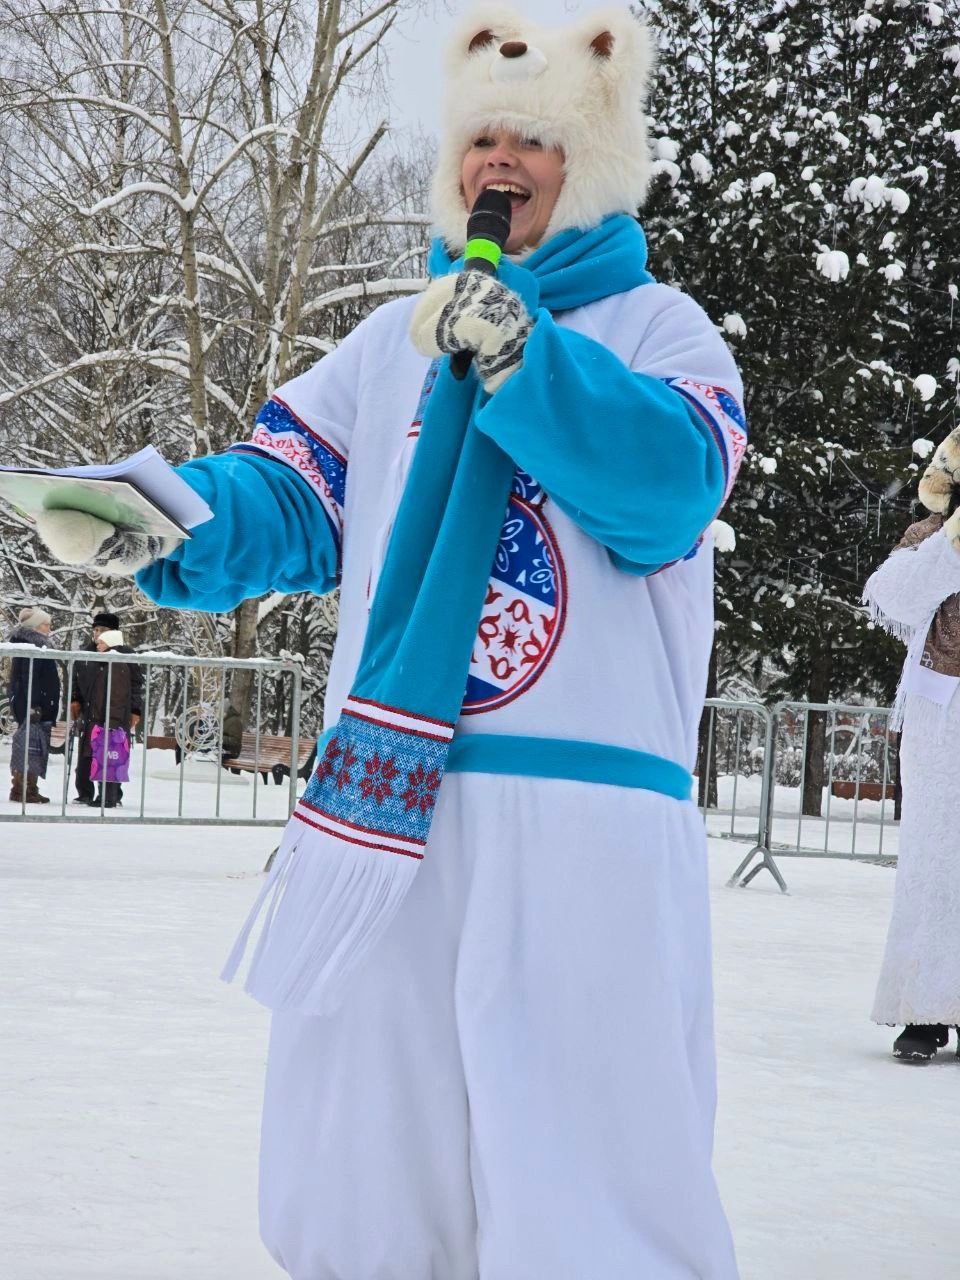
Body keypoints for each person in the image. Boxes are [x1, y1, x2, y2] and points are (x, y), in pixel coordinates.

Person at [34, 8, 746, 1276]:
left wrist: (526, 360)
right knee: (367, 1165)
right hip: (387, 819)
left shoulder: (662, 333)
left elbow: (666, 490)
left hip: (578, 833)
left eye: (536, 138)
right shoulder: (388, 347)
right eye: (482, 138)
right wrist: (161, 521)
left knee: (587, 1171)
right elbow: (292, 495)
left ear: (594, 159)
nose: (501, 162)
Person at [865, 426, 960, 1062]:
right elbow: (887, 597)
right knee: (934, 862)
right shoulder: (930, 538)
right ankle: (927, 1010)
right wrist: (952, 541)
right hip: (939, 715)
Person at [73, 612, 142, 805]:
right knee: (87, 753)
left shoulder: (126, 654)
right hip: (90, 711)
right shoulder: (86, 652)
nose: (97, 634)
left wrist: (136, 709)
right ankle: (84, 792)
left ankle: (110, 795)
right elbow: (75, 680)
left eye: (102, 630)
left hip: (116, 713)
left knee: (112, 752)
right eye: (95, 630)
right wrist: (75, 699)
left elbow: (136, 684)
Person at [6, 606, 60, 804]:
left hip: (36, 703)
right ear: (35, 626)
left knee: (34, 747)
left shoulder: (36, 645)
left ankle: (29, 788)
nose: (49, 627)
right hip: (32, 704)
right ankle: (22, 790)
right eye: (45, 624)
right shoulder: (30, 646)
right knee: (29, 747)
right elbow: (27, 679)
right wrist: (34, 704)